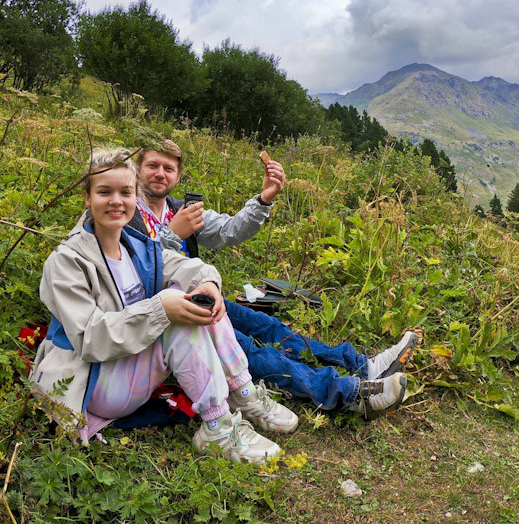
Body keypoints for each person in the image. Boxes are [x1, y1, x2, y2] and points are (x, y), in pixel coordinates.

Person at [30, 148, 297, 463]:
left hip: (129, 362)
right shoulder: (67, 262)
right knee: (176, 314)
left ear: (135, 197)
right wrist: (162, 310)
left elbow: (191, 266)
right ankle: (218, 427)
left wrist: (209, 284)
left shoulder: (134, 245)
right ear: (87, 198)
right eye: (104, 192)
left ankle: (243, 393)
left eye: (125, 192)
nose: (116, 200)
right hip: (93, 382)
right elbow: (91, 339)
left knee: (198, 296)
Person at [127, 140, 418, 417]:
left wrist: (264, 198)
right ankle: (349, 394)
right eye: (153, 165)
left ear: (178, 175)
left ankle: (362, 365)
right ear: (138, 168)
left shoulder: (180, 210)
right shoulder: (126, 215)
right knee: (247, 348)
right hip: (164, 315)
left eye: (169, 168)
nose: (160, 174)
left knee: (265, 324)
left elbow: (231, 230)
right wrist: (172, 235)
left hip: (202, 298)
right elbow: (134, 275)